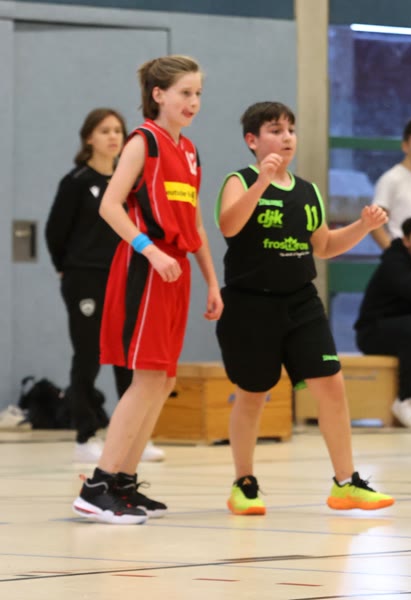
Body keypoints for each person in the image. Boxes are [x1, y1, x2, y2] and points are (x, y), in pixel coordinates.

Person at [215, 101, 394, 516]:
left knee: (331, 384)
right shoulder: (239, 181)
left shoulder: (308, 191)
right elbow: (229, 225)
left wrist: (364, 227)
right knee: (253, 394)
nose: (287, 137)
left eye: (291, 130)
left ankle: (346, 483)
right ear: (252, 140)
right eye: (276, 130)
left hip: (301, 302)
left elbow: (325, 246)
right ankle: (244, 483)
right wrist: (262, 182)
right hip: (250, 304)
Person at [74, 55, 223, 525]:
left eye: (198, 94)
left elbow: (195, 222)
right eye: (185, 93)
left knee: (164, 380)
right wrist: (150, 250)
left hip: (176, 270)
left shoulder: (190, 151)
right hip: (146, 266)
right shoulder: (143, 142)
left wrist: (211, 280)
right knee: (145, 379)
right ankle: (96, 487)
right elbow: (110, 206)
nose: (193, 102)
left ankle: (123, 481)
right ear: (158, 94)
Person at [46, 108, 162, 464]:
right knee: (88, 354)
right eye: (104, 130)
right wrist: (65, 268)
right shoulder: (77, 181)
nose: (113, 137)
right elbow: (55, 232)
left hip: (124, 276)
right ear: (89, 138)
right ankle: (84, 435)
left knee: (127, 355)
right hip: (85, 277)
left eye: (118, 130)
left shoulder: (130, 182)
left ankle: (129, 437)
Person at [356, 216, 411, 429]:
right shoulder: (395, 261)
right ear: (406, 240)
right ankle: (405, 399)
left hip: (400, 329)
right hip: (372, 332)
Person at [369, 117, 411, 249]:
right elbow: (374, 225)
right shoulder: (390, 179)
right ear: (405, 146)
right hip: (400, 249)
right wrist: (391, 252)